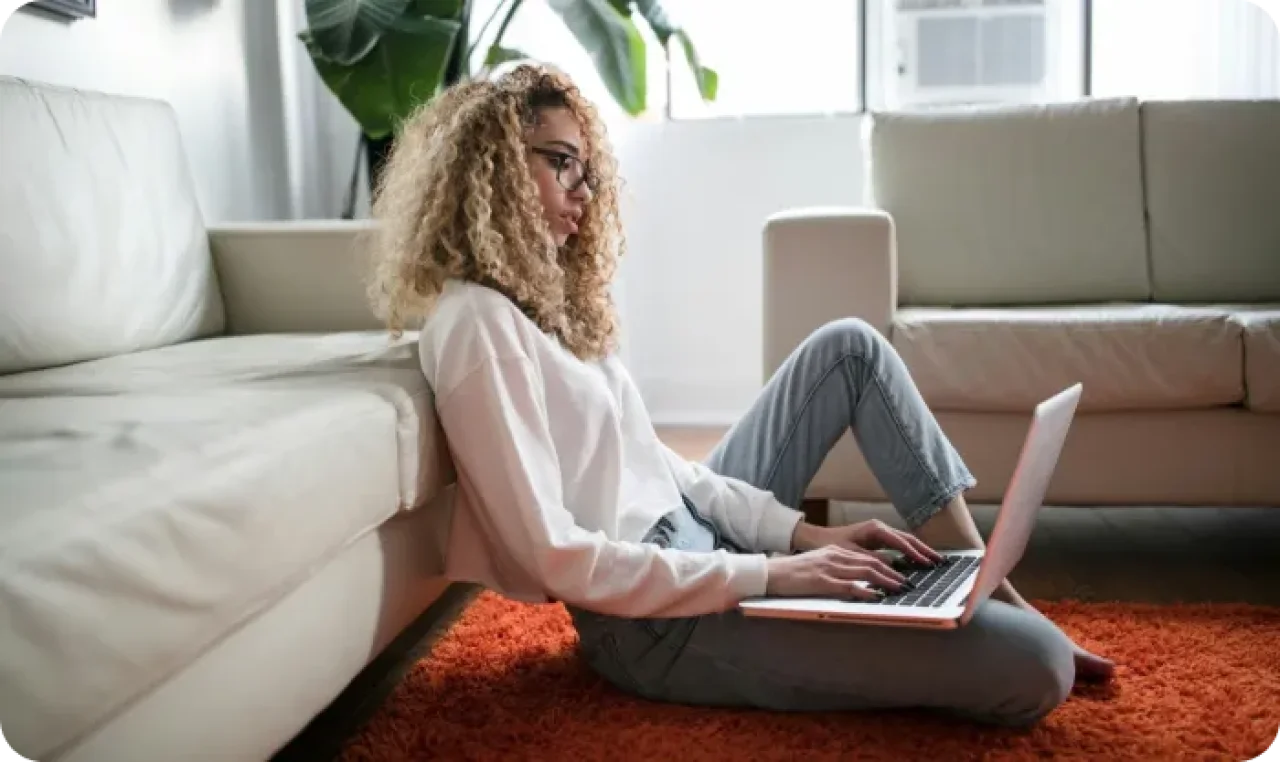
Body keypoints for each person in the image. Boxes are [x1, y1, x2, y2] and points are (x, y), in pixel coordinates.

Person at [367, 63, 1114, 728]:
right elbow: (553, 555)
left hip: (700, 543)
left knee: (848, 348)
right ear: (494, 166)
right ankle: (985, 611)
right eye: (560, 162)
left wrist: (800, 537)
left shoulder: (545, 304)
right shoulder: (477, 325)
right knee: (1038, 665)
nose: (582, 192)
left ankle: (984, 583)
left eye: (586, 170)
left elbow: (660, 467)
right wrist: (770, 574)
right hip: (653, 624)